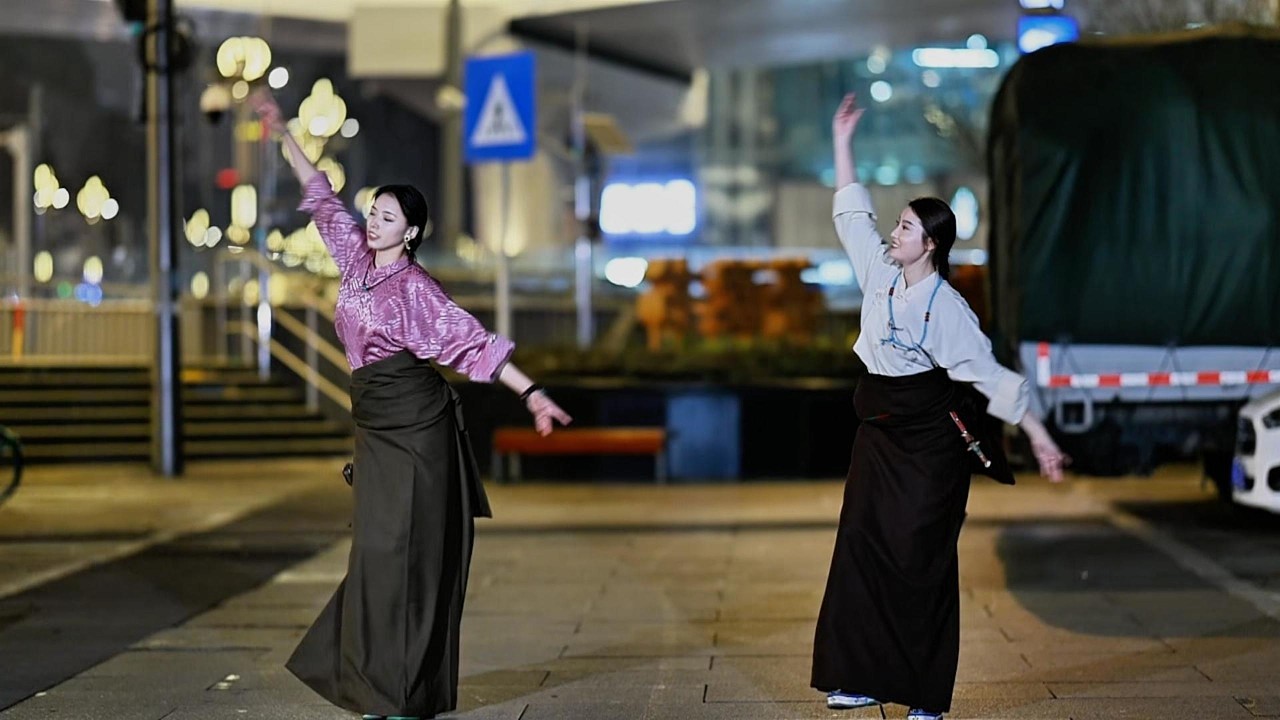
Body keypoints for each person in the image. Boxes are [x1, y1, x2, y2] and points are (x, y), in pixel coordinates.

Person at [250, 89, 572, 720]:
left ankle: (398, 696)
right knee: (373, 556)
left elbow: (474, 345)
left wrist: (532, 393)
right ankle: (376, 686)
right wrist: (281, 130)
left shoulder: (418, 290)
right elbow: (319, 194)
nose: (374, 222)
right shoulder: (353, 260)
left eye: (389, 218)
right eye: (374, 212)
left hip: (418, 429)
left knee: (407, 559)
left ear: (413, 232)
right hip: (374, 426)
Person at [810, 93, 1069, 720]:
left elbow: (989, 378)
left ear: (928, 245)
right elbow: (851, 213)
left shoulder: (947, 309)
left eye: (903, 228)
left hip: (930, 446)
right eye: (895, 224)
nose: (892, 233)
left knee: (919, 558)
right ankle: (862, 677)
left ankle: (925, 694)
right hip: (879, 432)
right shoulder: (879, 272)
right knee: (863, 548)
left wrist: (1037, 435)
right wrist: (843, 140)